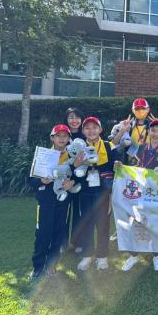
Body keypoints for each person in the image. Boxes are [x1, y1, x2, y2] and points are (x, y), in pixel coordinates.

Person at [121, 118, 158, 272]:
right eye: (153, 130)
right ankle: (134, 255)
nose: (155, 133)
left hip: (157, 192)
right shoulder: (142, 147)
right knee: (136, 221)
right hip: (141, 190)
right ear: (149, 132)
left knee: (156, 223)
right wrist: (122, 168)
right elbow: (137, 165)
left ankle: (157, 255)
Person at [29, 124, 75, 279]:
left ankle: (52, 266)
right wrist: (41, 180)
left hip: (63, 202)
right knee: (42, 235)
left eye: (65, 136)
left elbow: (78, 177)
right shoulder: (43, 156)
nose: (61, 139)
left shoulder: (72, 156)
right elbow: (30, 180)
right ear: (52, 138)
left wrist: (72, 183)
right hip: (45, 203)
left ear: (69, 139)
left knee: (58, 235)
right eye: (58, 136)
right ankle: (38, 267)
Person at [75, 117, 118, 271]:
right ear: (83, 131)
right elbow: (74, 172)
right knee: (86, 223)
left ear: (100, 129)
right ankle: (87, 255)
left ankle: (102, 256)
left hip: (104, 192)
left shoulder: (109, 146)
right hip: (85, 192)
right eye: (87, 128)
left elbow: (117, 167)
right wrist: (77, 164)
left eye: (94, 127)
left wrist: (118, 164)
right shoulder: (79, 147)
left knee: (103, 225)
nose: (91, 131)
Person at [64, 107, 85, 253]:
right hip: (64, 181)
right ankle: (62, 242)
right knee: (63, 213)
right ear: (66, 119)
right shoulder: (62, 135)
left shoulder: (86, 136)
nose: (74, 120)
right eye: (71, 117)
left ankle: (78, 242)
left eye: (77, 117)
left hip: (80, 181)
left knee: (79, 213)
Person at [113, 98, 154, 164]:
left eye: (143, 108)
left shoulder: (153, 126)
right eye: (137, 109)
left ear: (148, 109)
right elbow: (114, 144)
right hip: (130, 164)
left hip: (149, 162)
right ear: (133, 110)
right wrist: (122, 130)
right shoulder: (127, 125)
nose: (140, 111)